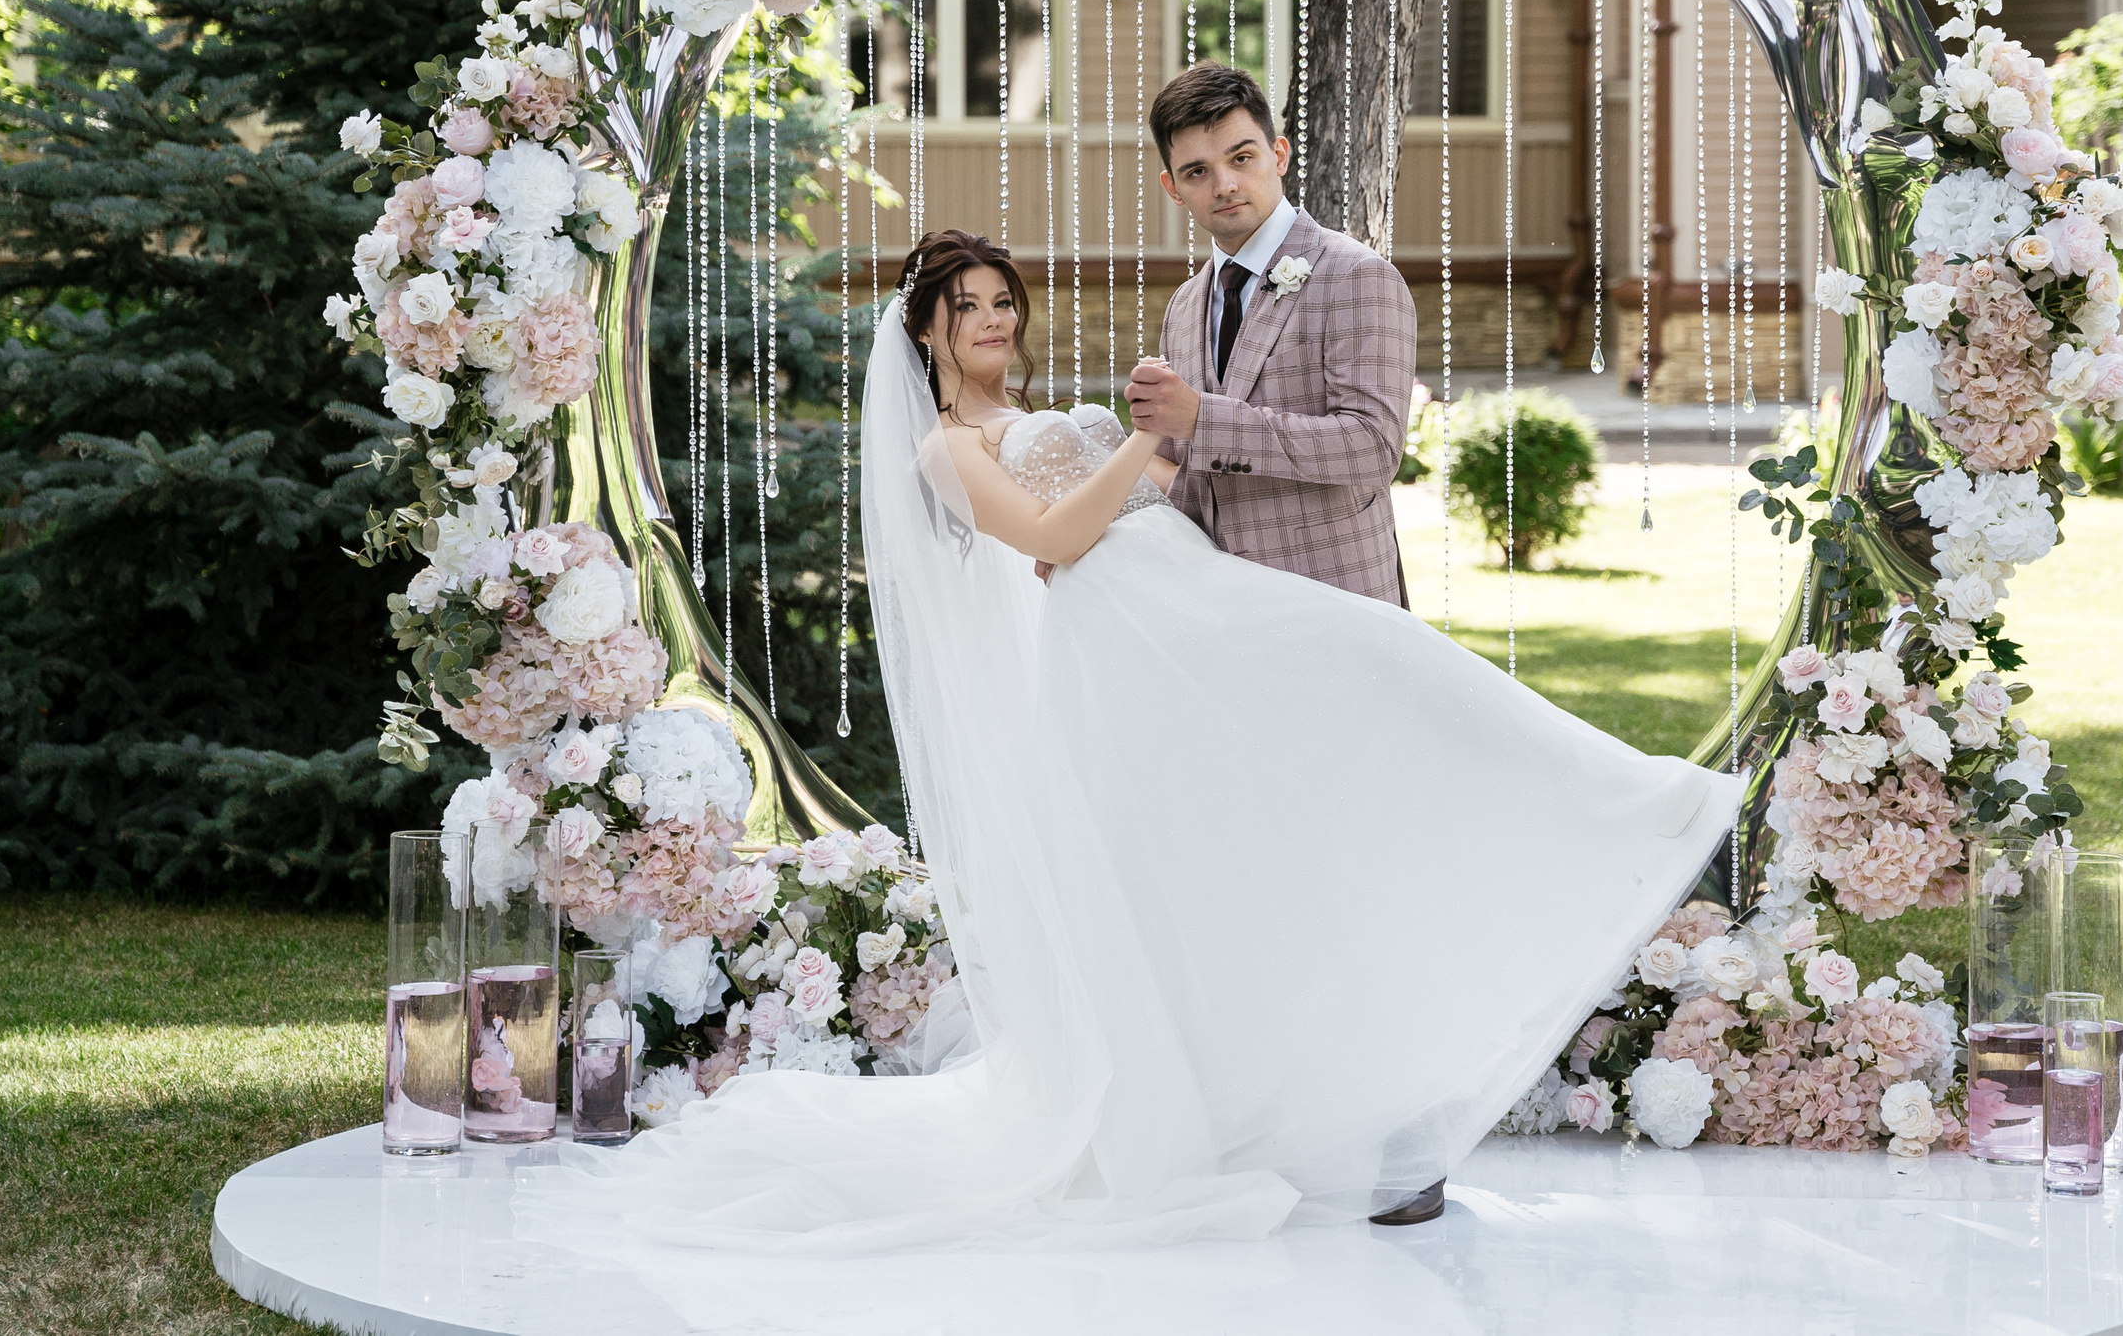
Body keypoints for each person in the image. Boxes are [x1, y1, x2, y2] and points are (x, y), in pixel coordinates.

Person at [532, 221, 1740, 1255]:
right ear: (926, 334)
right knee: (1327, 733)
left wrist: (1162, 446)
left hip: (1195, 602)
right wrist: (1145, 444)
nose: (995, 322)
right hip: (1126, 645)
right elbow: (1050, 539)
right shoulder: (945, 448)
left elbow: (1142, 498)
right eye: (969, 310)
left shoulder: (1033, 410)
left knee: (1393, 681)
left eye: (1006, 302)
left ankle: (1618, 811)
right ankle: (1618, 822)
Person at [1124, 63, 1417, 607]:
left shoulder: (1358, 276)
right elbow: (1175, 470)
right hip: (1218, 614)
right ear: (1172, 187)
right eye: (1197, 172)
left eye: (1241, 158)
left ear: (1278, 155)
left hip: (1337, 606)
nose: (1225, 185)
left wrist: (1202, 419)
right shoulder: (1185, 307)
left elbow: (1372, 448)